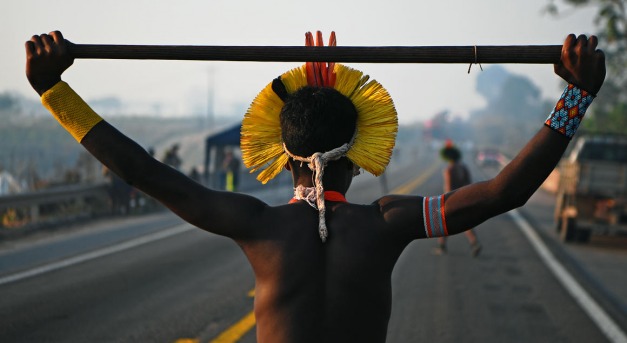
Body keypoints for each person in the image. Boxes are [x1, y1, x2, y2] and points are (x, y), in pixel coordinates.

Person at [25, 30, 605, 343]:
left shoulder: (258, 225)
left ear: (282, 157)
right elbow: (505, 191)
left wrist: (55, 92)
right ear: (357, 159)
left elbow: (143, 171)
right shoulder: (388, 222)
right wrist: (576, 95)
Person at [434, 139, 481, 256]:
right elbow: (469, 183)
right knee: (465, 223)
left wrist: (445, 203)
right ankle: (475, 243)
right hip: (464, 198)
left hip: (451, 200)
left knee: (441, 224)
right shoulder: (463, 167)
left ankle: (442, 247)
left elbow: (449, 188)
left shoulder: (449, 169)